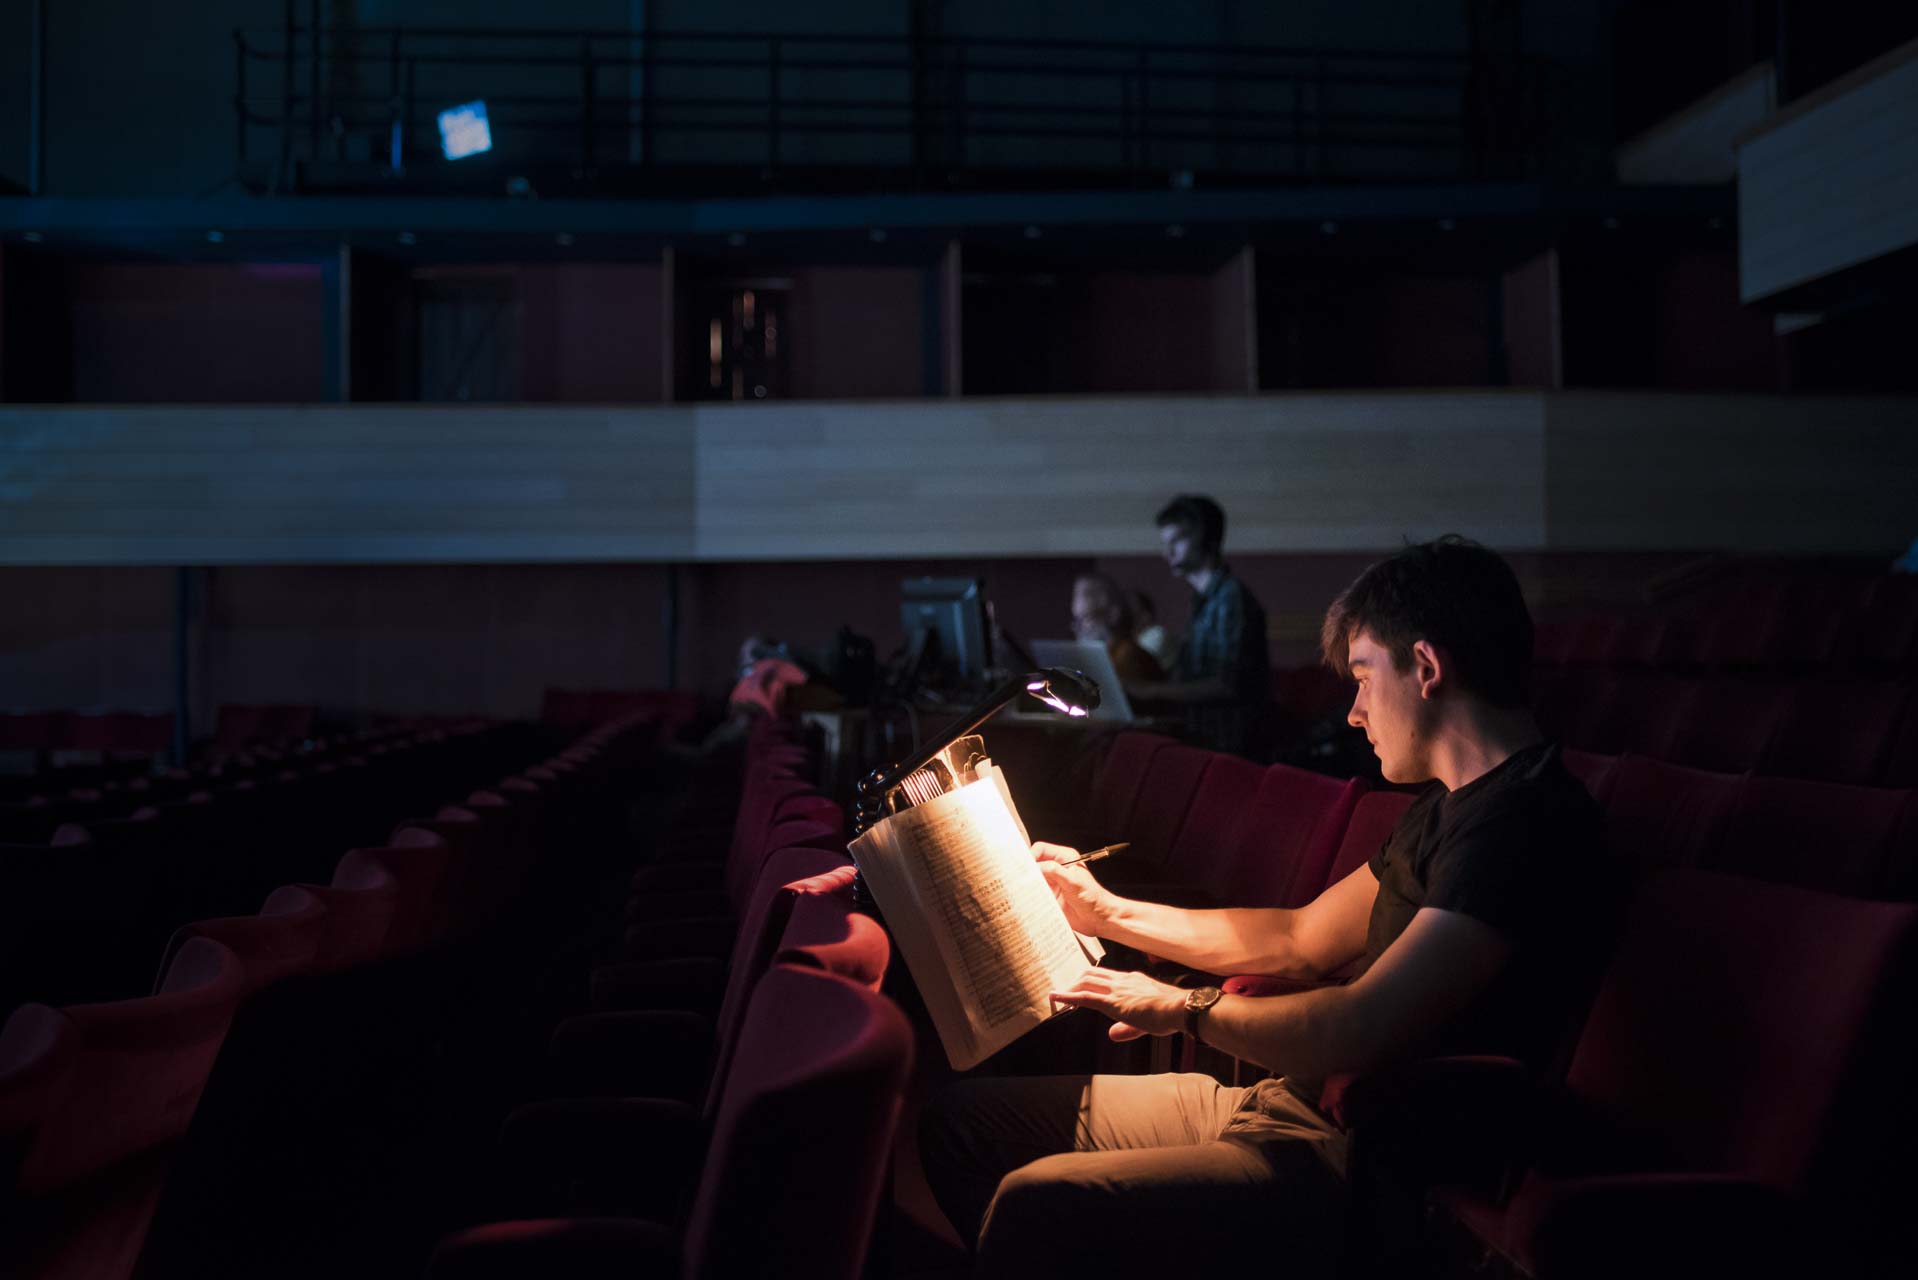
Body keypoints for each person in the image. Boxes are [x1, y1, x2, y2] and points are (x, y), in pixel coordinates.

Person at [919, 537, 1609, 1279]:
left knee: (1035, 1202)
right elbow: (1299, 938)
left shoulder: (1523, 823)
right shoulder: (1451, 809)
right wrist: (1105, 911)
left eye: (1365, 676)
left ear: (1428, 668)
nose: (1353, 711)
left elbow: (1359, 1027)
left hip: (1360, 1160)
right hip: (1288, 1105)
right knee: (960, 1125)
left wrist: (1182, 1008)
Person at [1129, 495, 1270, 757]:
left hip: (1230, 747)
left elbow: (1227, 684)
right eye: (1165, 543)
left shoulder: (1230, 598)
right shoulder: (1206, 600)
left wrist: (1152, 691)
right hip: (1209, 742)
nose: (1167, 552)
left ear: (1207, 538)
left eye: (1177, 540)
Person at [1070, 572, 1164, 684]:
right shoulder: (1085, 660)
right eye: (1078, 623)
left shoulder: (1127, 656)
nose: (1082, 631)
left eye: (1089, 620)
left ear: (1113, 614)